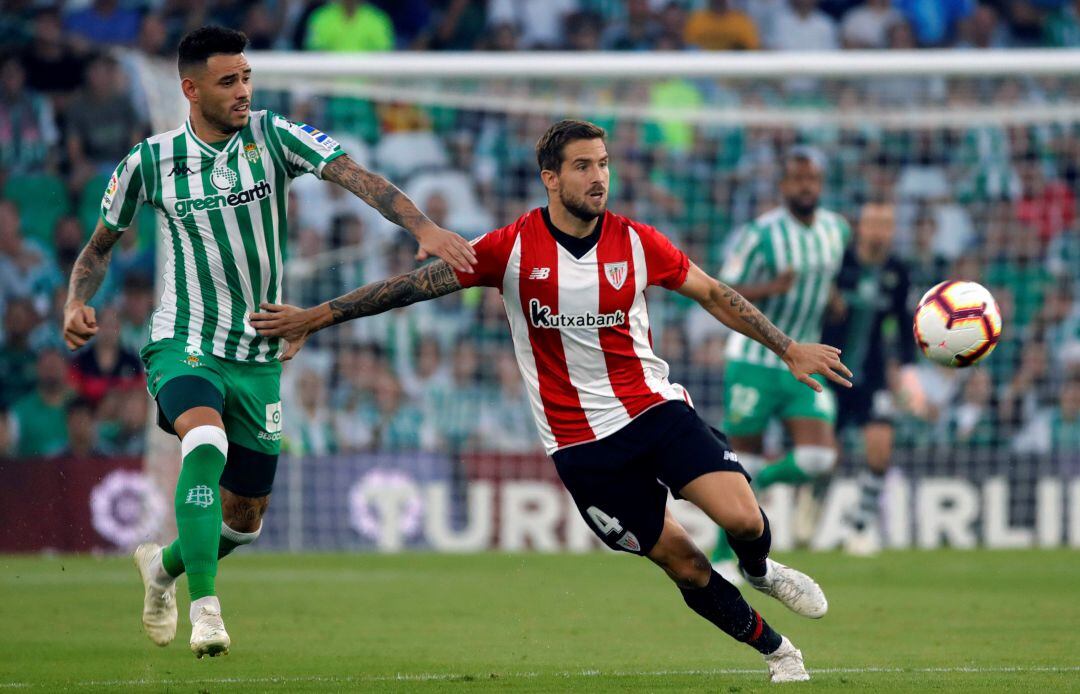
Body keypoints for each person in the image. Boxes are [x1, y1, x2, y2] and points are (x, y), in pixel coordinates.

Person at [250, 120, 853, 683]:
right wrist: (313, 317)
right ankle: (780, 652)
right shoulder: (510, 249)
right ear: (551, 178)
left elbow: (716, 294)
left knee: (745, 519)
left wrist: (787, 346)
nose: (599, 177)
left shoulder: (638, 242)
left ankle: (760, 570)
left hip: (653, 409)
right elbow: (407, 289)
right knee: (688, 565)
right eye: (584, 166)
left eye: (605, 164)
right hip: (580, 445)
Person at [61, 26, 476, 659]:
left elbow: (356, 177)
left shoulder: (274, 136)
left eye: (247, 77)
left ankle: (164, 568)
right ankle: (206, 611)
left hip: (259, 352)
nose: (243, 91)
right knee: (204, 438)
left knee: (244, 521)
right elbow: (98, 249)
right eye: (229, 82)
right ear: (190, 89)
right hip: (184, 340)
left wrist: (424, 226)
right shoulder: (148, 161)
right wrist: (75, 300)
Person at [709, 147, 850, 582]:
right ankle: (720, 554)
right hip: (754, 361)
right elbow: (722, 289)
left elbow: (829, 282)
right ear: (783, 186)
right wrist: (773, 286)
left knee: (817, 457)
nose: (805, 186)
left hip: (806, 358)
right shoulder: (759, 233)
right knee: (738, 460)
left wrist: (832, 300)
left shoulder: (837, 230)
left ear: (820, 185)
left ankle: (763, 480)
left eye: (812, 179)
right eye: (797, 179)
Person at [821, 201, 914, 556]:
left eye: (886, 224)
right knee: (825, 459)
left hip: (872, 375)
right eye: (873, 223)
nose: (879, 231)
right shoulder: (837, 264)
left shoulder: (898, 271)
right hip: (831, 371)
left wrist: (906, 369)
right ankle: (810, 505)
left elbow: (904, 327)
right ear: (860, 226)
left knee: (880, 450)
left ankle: (859, 527)